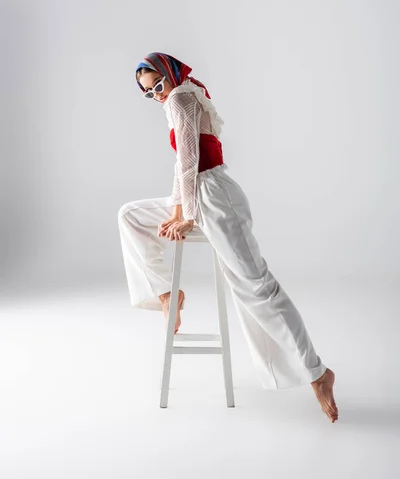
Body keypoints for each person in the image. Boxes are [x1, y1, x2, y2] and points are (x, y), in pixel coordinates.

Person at [117, 51, 338, 422]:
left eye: (158, 85)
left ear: (171, 76)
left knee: (257, 286)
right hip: (194, 196)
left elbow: (190, 161)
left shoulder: (181, 98)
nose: (156, 95)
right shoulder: (180, 95)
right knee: (130, 216)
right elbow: (181, 165)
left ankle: (317, 373)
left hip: (216, 200)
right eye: (147, 92)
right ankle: (168, 294)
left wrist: (187, 218)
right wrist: (177, 210)